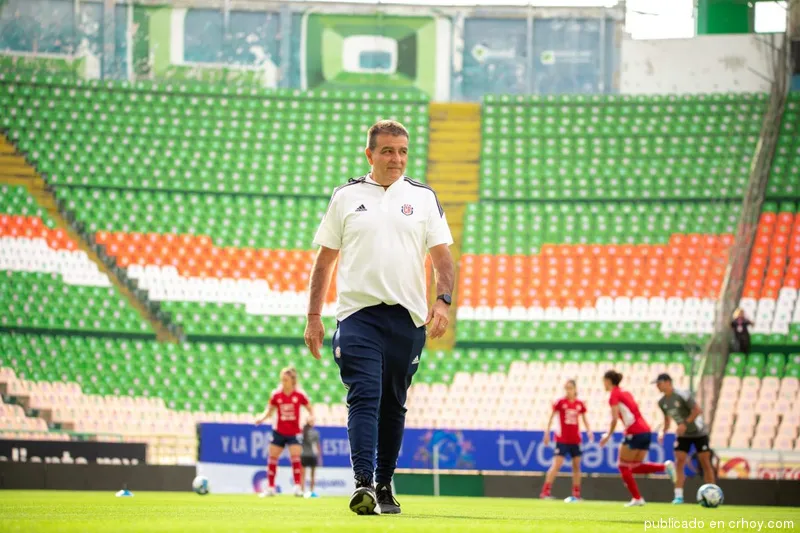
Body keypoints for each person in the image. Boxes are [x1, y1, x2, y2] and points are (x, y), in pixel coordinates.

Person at [304, 119, 455, 515]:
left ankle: (385, 483)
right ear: (369, 154)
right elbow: (325, 261)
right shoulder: (345, 196)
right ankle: (363, 483)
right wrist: (314, 316)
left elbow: (443, 259)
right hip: (357, 316)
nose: (396, 159)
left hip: (407, 320)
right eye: (388, 151)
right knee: (365, 394)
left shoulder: (423, 198)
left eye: (403, 151)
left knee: (393, 404)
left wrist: (442, 302)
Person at [598, 370, 675, 507]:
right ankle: (664, 467)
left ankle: (637, 498)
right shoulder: (626, 393)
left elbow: (615, 418)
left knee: (622, 466)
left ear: (608, 381)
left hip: (634, 432)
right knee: (633, 466)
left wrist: (608, 435)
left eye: (604, 380)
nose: (603, 383)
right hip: (645, 431)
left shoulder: (614, 395)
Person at [654, 373, 714, 504]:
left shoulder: (682, 394)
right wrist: (662, 432)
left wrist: (684, 424)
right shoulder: (662, 402)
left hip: (699, 432)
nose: (657, 386)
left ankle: (713, 493)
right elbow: (667, 421)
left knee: (705, 462)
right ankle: (678, 496)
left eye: (659, 383)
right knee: (679, 462)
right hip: (683, 435)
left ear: (668, 382)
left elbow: (697, 410)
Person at [254, 367, 313, 497]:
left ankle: (297, 487)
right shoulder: (276, 394)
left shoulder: (299, 395)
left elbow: (310, 408)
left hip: (294, 432)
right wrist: (261, 418)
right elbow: (269, 411)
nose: (283, 382)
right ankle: (270, 488)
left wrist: (311, 417)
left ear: (292, 381)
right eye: (282, 380)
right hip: (279, 431)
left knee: (296, 458)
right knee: (273, 458)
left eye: (286, 380)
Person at [540, 379, 592, 502]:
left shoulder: (579, 404)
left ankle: (576, 493)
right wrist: (547, 433)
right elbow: (551, 417)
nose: (568, 391)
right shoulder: (560, 402)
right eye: (566, 388)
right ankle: (545, 491)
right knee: (557, 465)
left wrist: (589, 431)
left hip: (575, 439)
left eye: (570, 388)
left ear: (575, 389)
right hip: (562, 439)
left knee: (576, 466)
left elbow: (584, 419)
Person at [301, 417, 321, 498]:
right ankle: (311, 491)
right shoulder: (315, 432)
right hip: (312, 455)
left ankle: (302, 491)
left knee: (303, 475)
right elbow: (317, 445)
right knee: (312, 475)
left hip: (303, 454)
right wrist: (319, 456)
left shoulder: (302, 432)